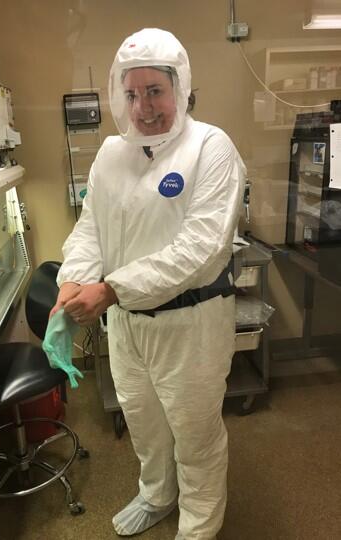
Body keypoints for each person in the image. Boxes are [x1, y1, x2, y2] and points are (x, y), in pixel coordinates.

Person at [52, 28, 246, 540]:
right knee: (144, 422)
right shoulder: (112, 154)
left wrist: (111, 288)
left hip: (191, 324)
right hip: (126, 326)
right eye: (132, 94)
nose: (143, 107)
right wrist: (73, 279)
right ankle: (158, 495)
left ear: (180, 88)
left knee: (195, 431)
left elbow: (199, 248)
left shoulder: (210, 147)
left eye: (154, 91)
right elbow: (91, 228)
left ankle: (200, 524)